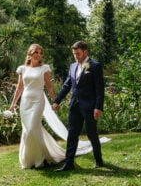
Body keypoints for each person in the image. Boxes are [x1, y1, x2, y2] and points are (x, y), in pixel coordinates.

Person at [9, 44, 65, 169]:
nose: (39, 55)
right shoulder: (22, 69)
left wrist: (54, 101)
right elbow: (19, 88)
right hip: (25, 102)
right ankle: (29, 160)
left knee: (32, 129)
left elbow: (49, 86)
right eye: (37, 52)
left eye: (41, 53)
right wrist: (13, 105)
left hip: (38, 101)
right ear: (30, 53)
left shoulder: (44, 68)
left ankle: (41, 159)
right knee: (28, 130)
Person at [52, 41, 105, 171]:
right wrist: (56, 101)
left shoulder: (95, 66)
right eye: (74, 54)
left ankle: (98, 160)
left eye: (78, 54)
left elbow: (100, 89)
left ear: (85, 52)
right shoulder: (72, 66)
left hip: (89, 106)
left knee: (91, 133)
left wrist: (98, 107)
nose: (76, 57)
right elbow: (66, 86)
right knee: (72, 134)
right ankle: (69, 163)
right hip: (74, 106)